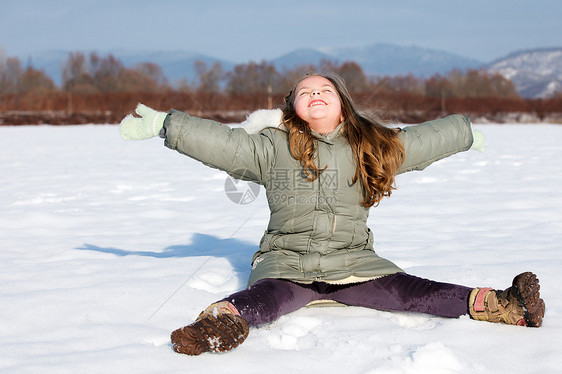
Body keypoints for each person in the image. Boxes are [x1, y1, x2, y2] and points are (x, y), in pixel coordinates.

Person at [120, 72, 545, 356]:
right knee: (265, 300)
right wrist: (166, 125)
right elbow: (222, 144)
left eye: (324, 89)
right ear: (292, 108)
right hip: (287, 263)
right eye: (305, 92)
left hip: (355, 263)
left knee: (414, 292)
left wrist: (464, 132)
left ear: (343, 104)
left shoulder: (371, 147)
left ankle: (501, 305)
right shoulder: (271, 147)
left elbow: (418, 143)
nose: (315, 94)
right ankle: (219, 323)